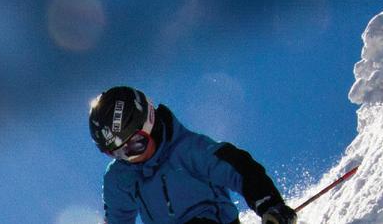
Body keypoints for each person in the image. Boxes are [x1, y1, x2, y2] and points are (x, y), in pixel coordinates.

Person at [89, 86, 297, 224]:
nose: (129, 157)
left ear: (149, 123)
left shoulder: (188, 151)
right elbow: (118, 219)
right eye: (117, 152)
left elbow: (239, 168)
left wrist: (269, 204)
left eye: (136, 144)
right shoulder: (120, 179)